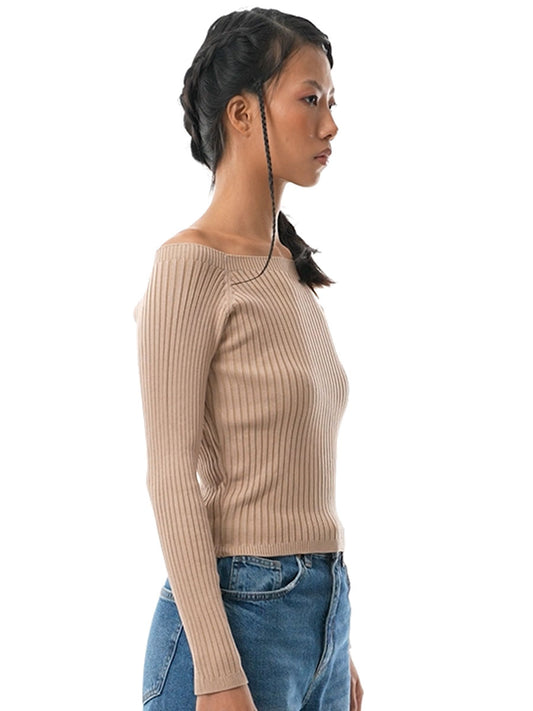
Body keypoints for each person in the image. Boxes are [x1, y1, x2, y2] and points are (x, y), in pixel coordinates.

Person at [133, 7, 364, 711]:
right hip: (237, 621)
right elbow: (171, 476)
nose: (330, 125)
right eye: (310, 98)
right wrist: (216, 668)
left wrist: (333, 643)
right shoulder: (188, 267)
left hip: (320, 612)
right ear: (242, 113)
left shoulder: (289, 271)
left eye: (332, 103)